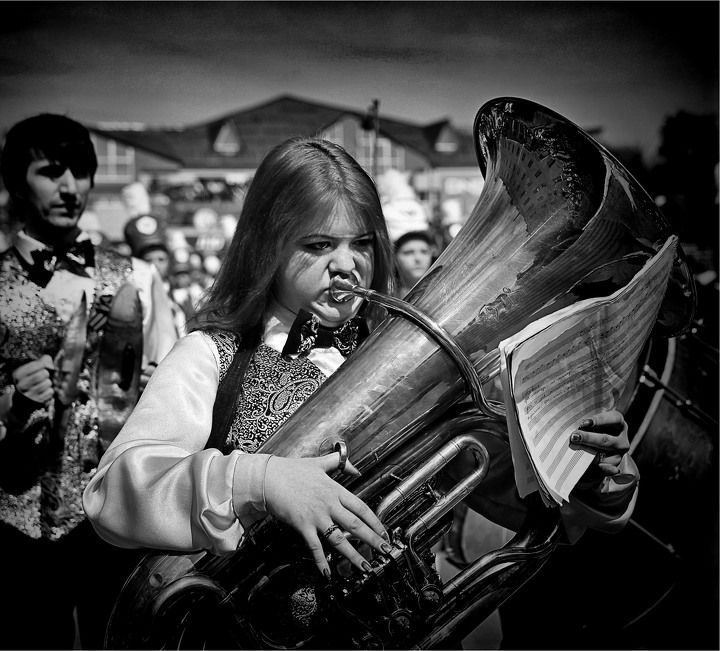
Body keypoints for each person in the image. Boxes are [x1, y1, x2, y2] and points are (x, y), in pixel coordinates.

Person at [82, 137, 638, 636]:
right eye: (317, 245)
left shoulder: (418, 370)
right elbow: (114, 491)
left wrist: (587, 472)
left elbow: (525, 505)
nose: (346, 266)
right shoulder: (212, 355)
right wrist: (262, 478)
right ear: (266, 247)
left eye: (362, 244)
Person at [0, 113, 178, 650]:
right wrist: (6, 406)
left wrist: (156, 392)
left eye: (81, 172)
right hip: (19, 530)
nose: (71, 187)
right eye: (52, 171)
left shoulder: (139, 278)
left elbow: (170, 394)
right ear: (19, 182)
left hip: (119, 521)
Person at [124, 214, 191, 336]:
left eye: (161, 259)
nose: (155, 265)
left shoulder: (181, 295)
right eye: (148, 260)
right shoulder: (133, 295)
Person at [394, 229, 435, 297]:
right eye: (408, 252)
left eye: (424, 252)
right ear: (395, 257)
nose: (418, 258)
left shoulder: (447, 292)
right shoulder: (385, 295)